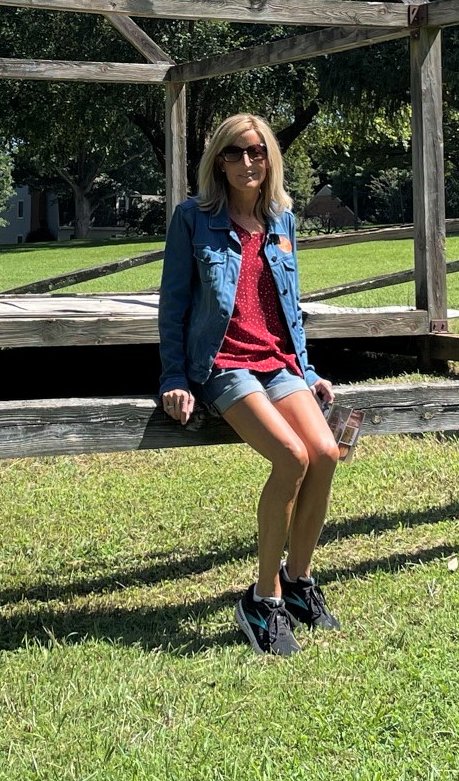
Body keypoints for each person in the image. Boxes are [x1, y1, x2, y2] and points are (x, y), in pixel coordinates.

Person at [158, 112, 343, 657]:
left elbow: (291, 310)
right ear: (219, 160)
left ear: (270, 159)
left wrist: (307, 372)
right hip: (224, 365)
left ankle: (300, 583)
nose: (247, 162)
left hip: (277, 362)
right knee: (291, 456)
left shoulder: (281, 220)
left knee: (327, 452)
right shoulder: (193, 218)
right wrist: (173, 377)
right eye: (236, 153)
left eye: (257, 152)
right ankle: (262, 600)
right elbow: (173, 306)